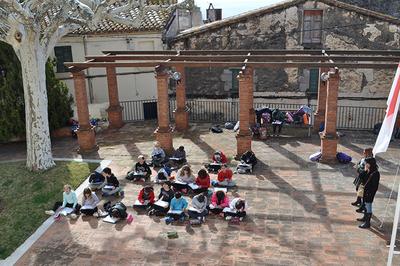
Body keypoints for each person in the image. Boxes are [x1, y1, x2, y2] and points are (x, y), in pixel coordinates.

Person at [357, 157, 380, 229]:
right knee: (365, 205)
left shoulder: (376, 173)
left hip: (369, 193)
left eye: (367, 163)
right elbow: (361, 177)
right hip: (365, 191)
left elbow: (374, 186)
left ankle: (367, 223)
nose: (366, 164)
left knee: (368, 207)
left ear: (371, 164)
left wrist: (369, 193)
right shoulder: (369, 170)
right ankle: (365, 218)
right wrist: (365, 170)